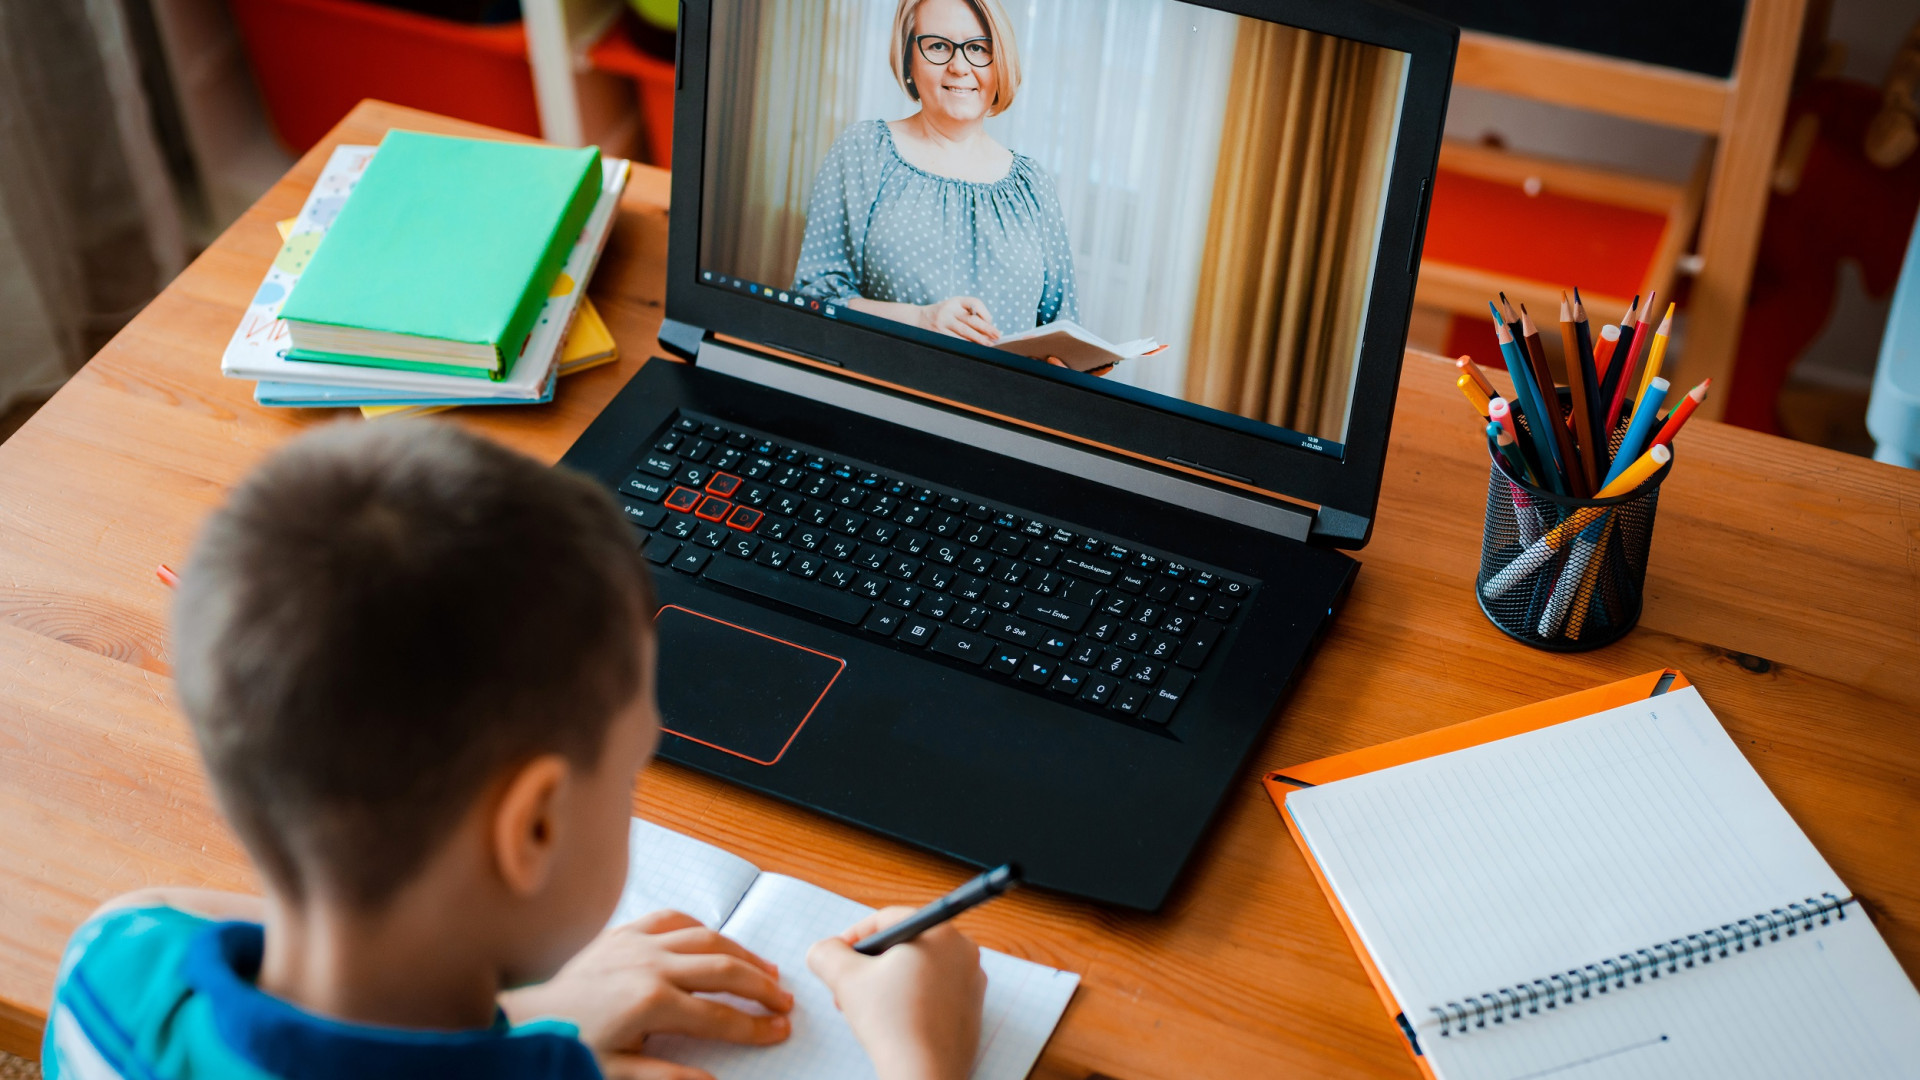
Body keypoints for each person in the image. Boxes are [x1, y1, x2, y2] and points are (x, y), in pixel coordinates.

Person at [41, 421, 987, 1080]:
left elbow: (152, 904)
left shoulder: (112, 974)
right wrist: (923, 1058)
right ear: (532, 827)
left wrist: (534, 1017)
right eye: (629, 773)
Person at [792, 0, 1080, 353]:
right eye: (938, 46)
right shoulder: (864, 149)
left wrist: (1078, 363)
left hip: (999, 404)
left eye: (977, 48)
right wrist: (920, 320)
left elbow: (1061, 328)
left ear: (1000, 61)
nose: (959, 66)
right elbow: (814, 299)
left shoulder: (1034, 184)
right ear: (909, 59)